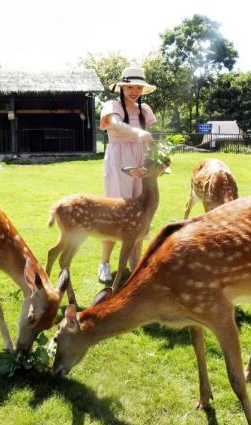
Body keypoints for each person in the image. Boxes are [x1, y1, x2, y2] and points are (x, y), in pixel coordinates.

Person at [97, 66, 157, 283]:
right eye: (130, 86)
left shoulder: (145, 110)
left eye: (138, 87)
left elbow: (154, 136)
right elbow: (114, 124)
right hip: (118, 160)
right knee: (116, 210)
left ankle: (136, 265)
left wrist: (156, 160)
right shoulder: (111, 105)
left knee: (141, 212)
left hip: (141, 160)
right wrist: (138, 132)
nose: (134, 91)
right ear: (122, 87)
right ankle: (104, 262)